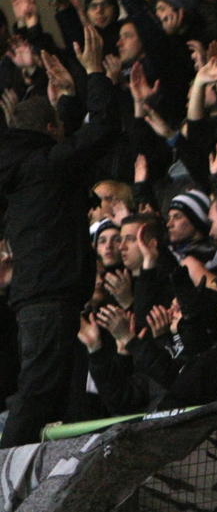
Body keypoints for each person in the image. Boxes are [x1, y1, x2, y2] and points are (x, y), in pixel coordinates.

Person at [0, 26, 119, 448]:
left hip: (43, 298)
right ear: (50, 130)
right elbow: (102, 129)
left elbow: (59, 148)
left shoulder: (25, 167)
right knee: (35, 397)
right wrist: (93, 72)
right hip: (51, 300)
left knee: (58, 400)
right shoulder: (45, 167)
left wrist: (68, 98)